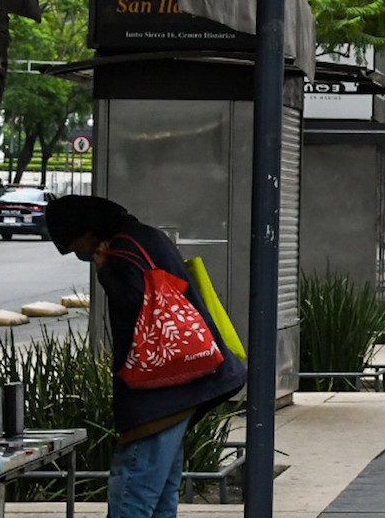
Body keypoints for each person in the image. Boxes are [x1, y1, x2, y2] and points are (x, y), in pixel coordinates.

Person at [45, 195, 246, 518]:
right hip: (184, 385)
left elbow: (136, 303)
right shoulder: (147, 236)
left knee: (133, 490)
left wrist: (105, 271)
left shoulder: (123, 251)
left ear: (86, 230)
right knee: (161, 489)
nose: (77, 253)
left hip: (159, 394)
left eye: (74, 245)